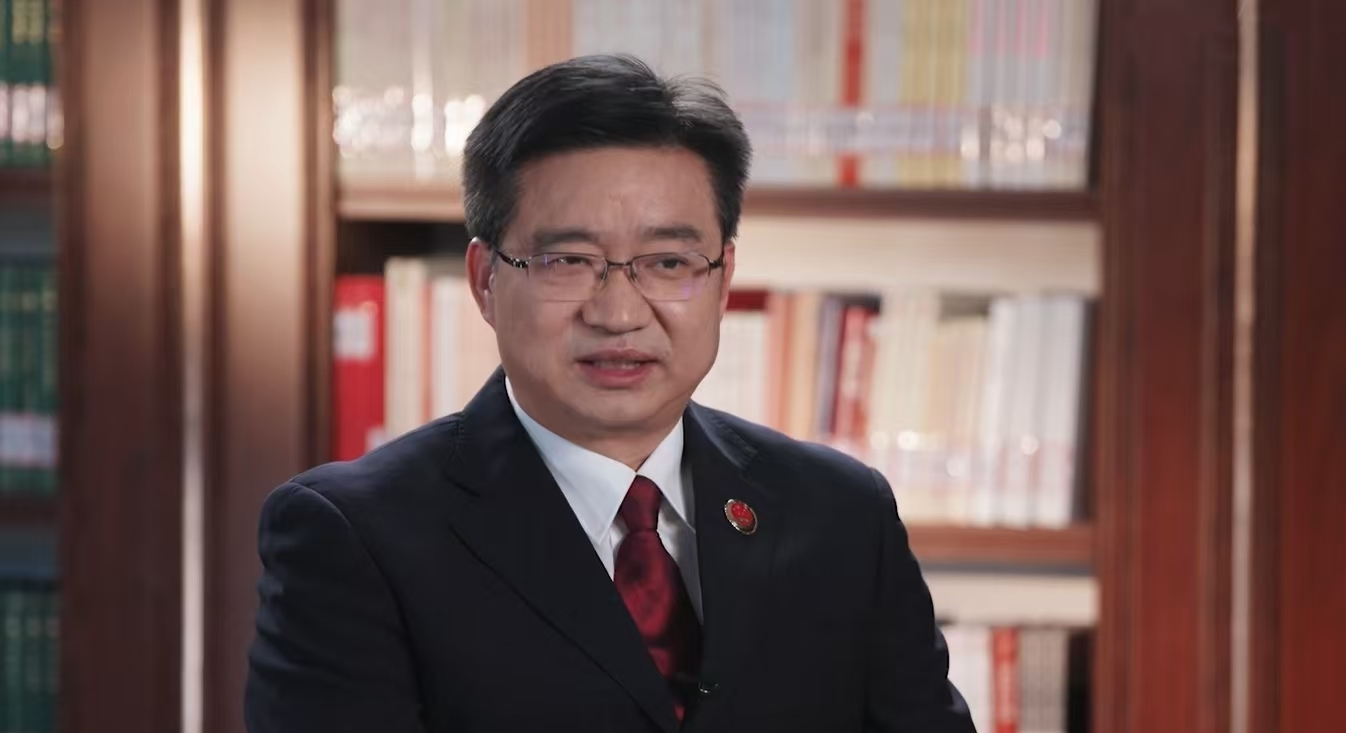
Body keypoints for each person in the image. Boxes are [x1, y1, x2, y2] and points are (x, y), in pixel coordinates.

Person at [244, 54, 975, 733]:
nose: (620, 312)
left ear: (723, 280)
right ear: (485, 280)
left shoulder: (843, 515)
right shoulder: (352, 536)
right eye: (569, 260)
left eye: (669, 262)